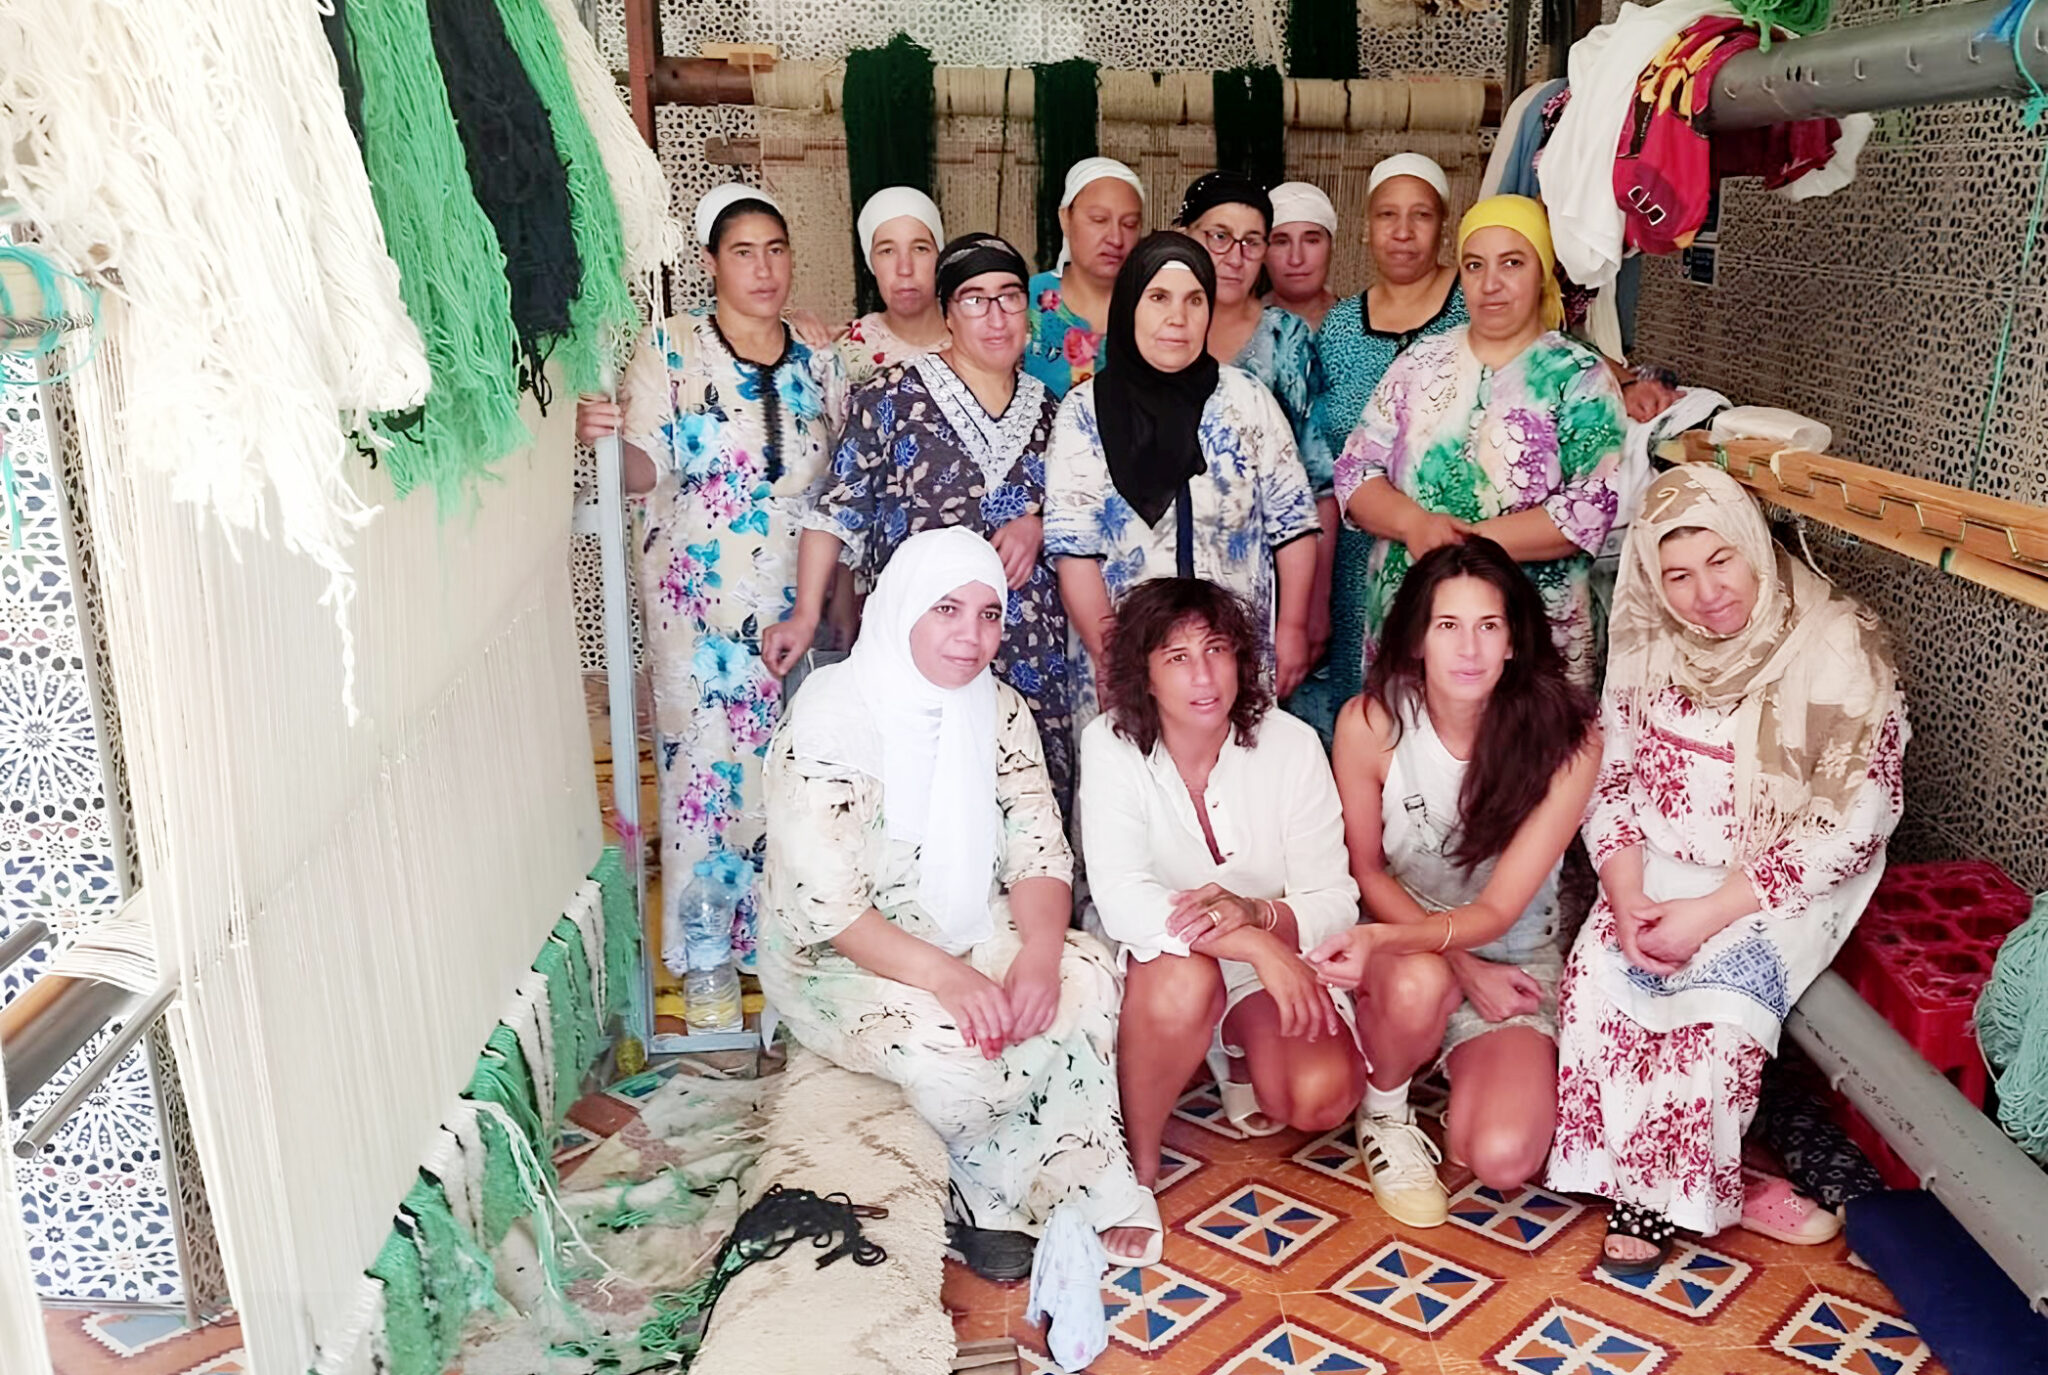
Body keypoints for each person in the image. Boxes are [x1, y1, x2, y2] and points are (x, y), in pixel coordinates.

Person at [759, 528, 1159, 1279]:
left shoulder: (998, 710)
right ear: (903, 606)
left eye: (988, 614)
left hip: (970, 924)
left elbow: (1039, 850)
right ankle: (977, 1200)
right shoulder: (833, 718)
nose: (971, 638)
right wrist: (950, 978)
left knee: (1089, 979)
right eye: (947, 609)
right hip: (841, 957)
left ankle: (1072, 1185)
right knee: (960, 1053)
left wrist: (1039, 952)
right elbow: (832, 908)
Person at [1547, 466, 1908, 1274]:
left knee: (1711, 1018)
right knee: (1596, 988)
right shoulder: (1648, 632)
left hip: (1778, 877)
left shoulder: (1834, 640)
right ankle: (1710, 1179)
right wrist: (1626, 887)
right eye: (1678, 573)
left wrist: (1711, 910)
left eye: (1722, 561)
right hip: (1659, 864)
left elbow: (1857, 816)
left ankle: (1649, 1198)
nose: (1705, 592)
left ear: (1754, 549)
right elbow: (1615, 773)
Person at [575, 184, 847, 973]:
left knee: (800, 773)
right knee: (707, 773)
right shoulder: (669, 350)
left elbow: (848, 476)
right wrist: (598, 439)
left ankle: (798, 956)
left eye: (775, 249)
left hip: (803, 605)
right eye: (742, 252)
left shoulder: (822, 355)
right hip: (700, 616)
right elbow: (641, 470)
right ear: (709, 264)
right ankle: (709, 965)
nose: (763, 269)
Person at [1309, 539, 1598, 1228]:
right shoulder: (1371, 723)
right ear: (1416, 638)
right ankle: (1385, 1104)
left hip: (1514, 956)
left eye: (1488, 626)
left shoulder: (1569, 738)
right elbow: (1367, 870)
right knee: (1420, 985)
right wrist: (1458, 965)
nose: (1468, 649)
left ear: (1513, 641)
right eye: (1448, 626)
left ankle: (1439, 1055)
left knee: (1498, 1155)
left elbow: (1500, 908)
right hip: (1401, 942)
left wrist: (1475, 966)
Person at [766, 234, 1075, 810]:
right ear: (948, 313)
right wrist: (806, 614)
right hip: (924, 653)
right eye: (974, 299)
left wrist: (1037, 521)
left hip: (1030, 650)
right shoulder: (894, 395)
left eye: (1009, 297)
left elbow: (1084, 519)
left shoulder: (1055, 413)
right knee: (921, 806)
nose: (996, 316)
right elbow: (836, 509)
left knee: (1024, 806)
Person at [1082, 579, 1365, 1175]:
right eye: (1178, 658)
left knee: (1321, 1098)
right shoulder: (1110, 744)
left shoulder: (1293, 745)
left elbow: (1335, 897)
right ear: (1146, 672)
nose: (1204, 677)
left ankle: (1228, 1048)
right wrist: (1256, 944)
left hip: (1262, 959)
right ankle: (1137, 1155)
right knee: (1185, 981)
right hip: (1160, 959)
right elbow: (1123, 901)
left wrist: (1264, 918)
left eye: (1216, 650)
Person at [1335, 193, 1625, 689]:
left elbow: (1591, 507)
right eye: (1474, 265)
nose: (1490, 284)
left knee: (1524, 758)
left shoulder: (1580, 377)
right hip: (1415, 621)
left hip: (1533, 633)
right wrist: (1413, 525)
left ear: (1543, 273)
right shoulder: (1418, 364)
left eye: (1512, 263)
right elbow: (1354, 472)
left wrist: (1466, 544)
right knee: (1413, 751)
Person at [1044, 232, 1320, 732]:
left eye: (1195, 300)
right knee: (1134, 793)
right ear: (1130, 305)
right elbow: (1074, 552)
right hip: (1126, 664)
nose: (1178, 318)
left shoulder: (1246, 400)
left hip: (1233, 662)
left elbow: (1294, 525)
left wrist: (1293, 626)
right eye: (1159, 298)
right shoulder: (1085, 413)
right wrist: (1113, 661)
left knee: (1235, 795)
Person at [1293, 156, 1468, 742]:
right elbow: (1323, 457)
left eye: (1420, 216)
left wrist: (1633, 381)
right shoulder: (1340, 328)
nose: (1402, 231)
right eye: (1388, 216)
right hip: (1358, 560)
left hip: (1456, 550)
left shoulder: (1477, 303)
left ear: (1443, 226)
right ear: (1366, 227)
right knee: (1370, 720)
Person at [1175, 171, 1332, 579]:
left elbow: (1318, 482)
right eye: (1219, 236)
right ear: (1185, 235)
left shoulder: (1283, 338)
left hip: (1262, 577)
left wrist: (1311, 609)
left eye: (1252, 241)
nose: (1234, 257)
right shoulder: (1151, 329)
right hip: (1157, 571)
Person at [1025, 157, 1146, 398]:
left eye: (1129, 224)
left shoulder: (1157, 303)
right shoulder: (1025, 300)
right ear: (1065, 218)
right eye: (1099, 220)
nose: (1116, 238)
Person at [834, 187, 951, 386]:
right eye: (887, 251)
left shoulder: (982, 336)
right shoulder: (848, 352)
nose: (905, 268)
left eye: (920, 248)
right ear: (871, 263)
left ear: (939, 256)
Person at [1264, 180, 1339, 329]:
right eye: (1281, 242)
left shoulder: (1365, 329)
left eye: (1311, 241)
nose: (1296, 259)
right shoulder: (1235, 331)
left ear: (1331, 246)